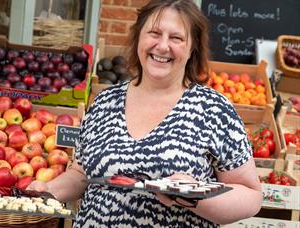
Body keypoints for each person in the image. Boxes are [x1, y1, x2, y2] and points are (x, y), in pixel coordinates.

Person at [28, 0, 262, 227]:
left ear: (193, 48)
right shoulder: (105, 102)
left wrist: (195, 197)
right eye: (154, 33)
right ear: (139, 36)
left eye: (176, 38)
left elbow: (251, 196)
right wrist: (48, 191)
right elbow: (81, 173)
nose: (162, 46)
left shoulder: (213, 110)